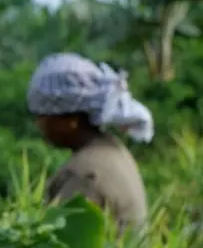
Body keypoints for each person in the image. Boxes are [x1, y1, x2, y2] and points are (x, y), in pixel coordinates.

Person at [26, 52, 154, 231]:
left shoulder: (84, 175)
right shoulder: (111, 148)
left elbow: (60, 241)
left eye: (43, 116)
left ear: (71, 120)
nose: (39, 124)